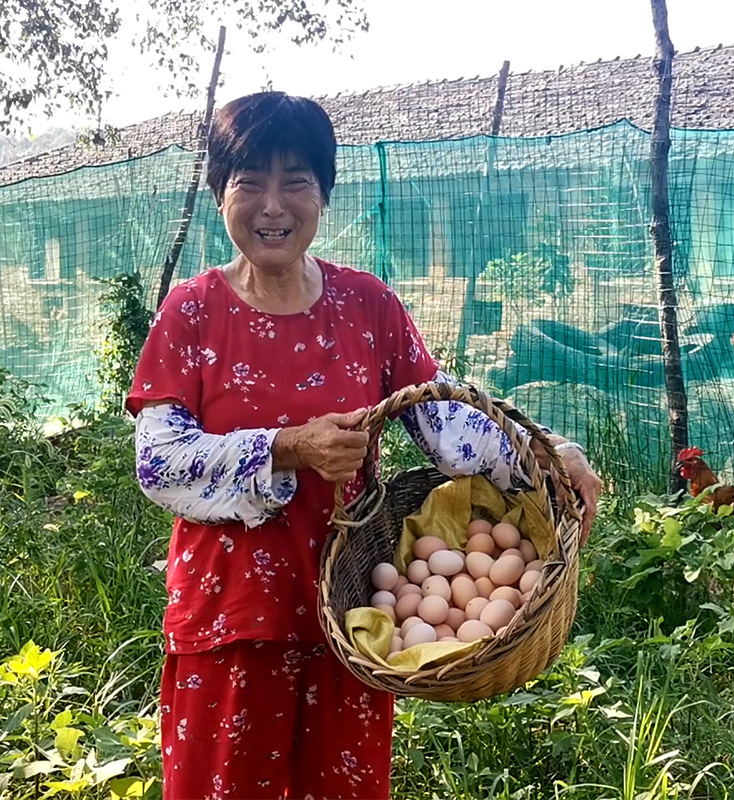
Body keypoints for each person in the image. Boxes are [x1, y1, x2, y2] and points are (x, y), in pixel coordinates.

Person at [127, 91, 601, 800]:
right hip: (230, 617)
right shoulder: (193, 311)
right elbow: (156, 461)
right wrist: (285, 447)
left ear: (324, 193)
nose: (272, 206)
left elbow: (445, 422)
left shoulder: (367, 305)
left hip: (353, 617)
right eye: (248, 183)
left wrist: (547, 454)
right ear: (218, 192)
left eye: (297, 182)